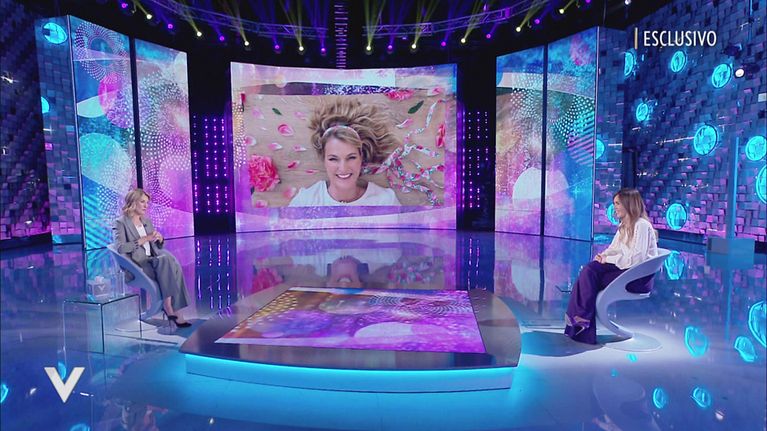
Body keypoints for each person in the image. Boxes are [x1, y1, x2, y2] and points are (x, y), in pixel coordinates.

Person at [564, 188, 658, 344]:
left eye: (618, 203)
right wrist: (603, 256)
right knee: (589, 269)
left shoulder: (641, 225)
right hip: (626, 270)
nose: (615, 207)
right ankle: (581, 319)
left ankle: (580, 319)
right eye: (614, 203)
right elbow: (614, 248)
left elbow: (637, 258)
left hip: (638, 278)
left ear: (628, 204)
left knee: (590, 277)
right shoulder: (624, 225)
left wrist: (610, 260)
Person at [288, 98, 401, 206]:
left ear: (361, 157)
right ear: (324, 159)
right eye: (333, 159)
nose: (343, 168)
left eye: (351, 157)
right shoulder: (305, 201)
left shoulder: (385, 201)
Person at [114, 189, 191, 327]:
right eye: (142, 202)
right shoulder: (121, 222)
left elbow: (156, 247)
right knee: (166, 261)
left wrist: (160, 239)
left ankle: (174, 309)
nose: (146, 206)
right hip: (138, 265)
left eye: (147, 202)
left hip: (154, 260)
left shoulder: (146, 221)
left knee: (173, 264)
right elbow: (121, 248)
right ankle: (169, 306)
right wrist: (143, 240)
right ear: (133, 202)